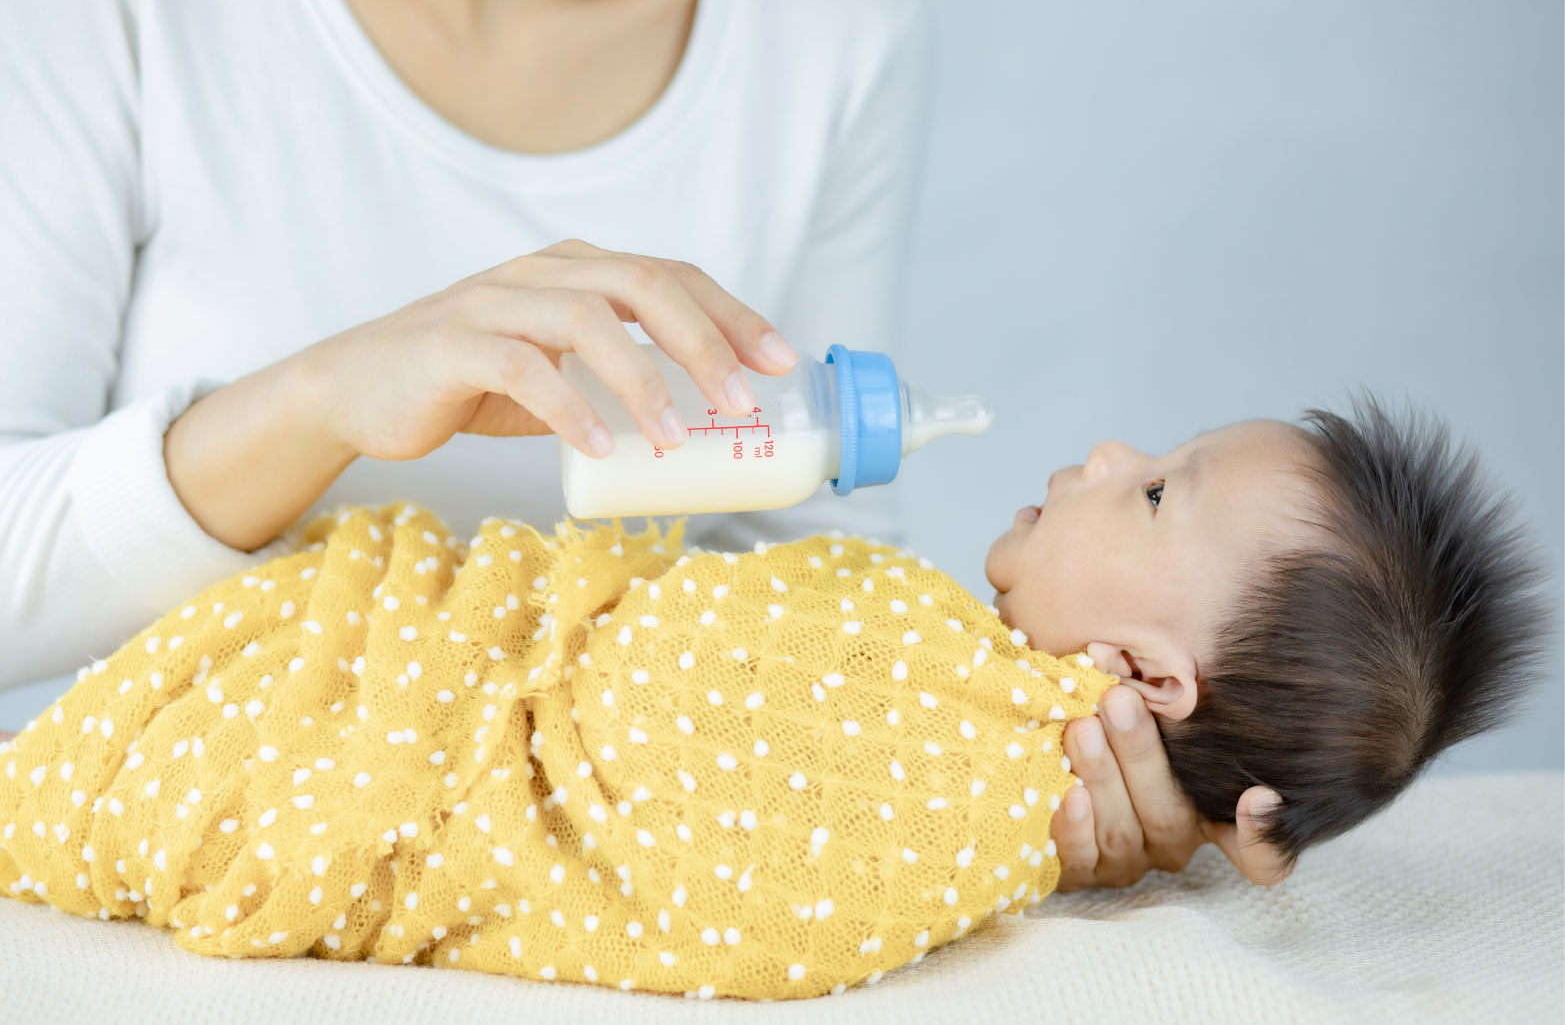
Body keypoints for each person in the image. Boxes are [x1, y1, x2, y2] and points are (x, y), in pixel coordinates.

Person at [0, 0, 1288, 893]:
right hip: (154, 803)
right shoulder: (122, 8)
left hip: (545, 835)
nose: (1112, 457)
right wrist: (320, 401)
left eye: (1162, 490)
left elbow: (800, 568)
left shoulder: (834, 27)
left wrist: (1022, 791)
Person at [0, 394, 1545, 999]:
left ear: (1142, 679)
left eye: (1149, 498)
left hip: (378, 732)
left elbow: (708, 816)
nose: (1095, 458)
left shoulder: (944, 761)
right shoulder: (926, 676)